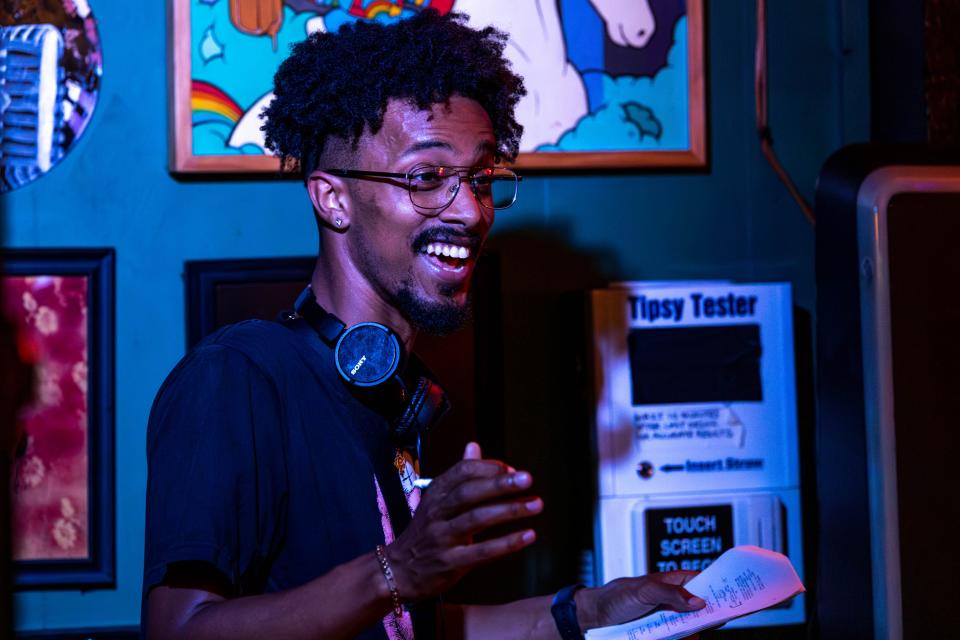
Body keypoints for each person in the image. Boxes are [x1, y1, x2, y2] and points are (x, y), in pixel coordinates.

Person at [142, 11, 705, 639]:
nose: (470, 209)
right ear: (332, 198)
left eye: (482, 176)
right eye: (427, 176)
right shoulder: (238, 378)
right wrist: (399, 568)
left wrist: (588, 611)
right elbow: (178, 632)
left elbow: (410, 628)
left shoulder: (397, 398)